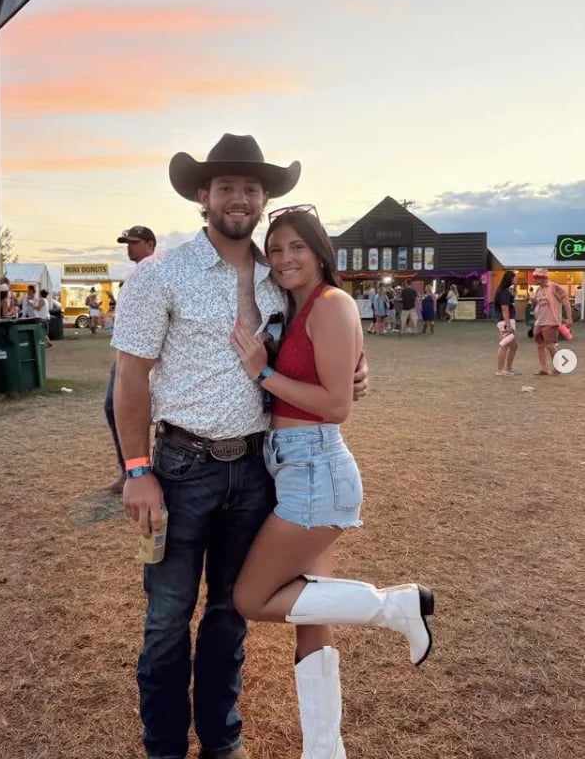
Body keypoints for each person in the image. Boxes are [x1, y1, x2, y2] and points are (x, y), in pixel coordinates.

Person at [111, 134, 368, 759]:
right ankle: (165, 747)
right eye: (226, 186)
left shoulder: (279, 274)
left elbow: (322, 343)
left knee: (229, 618)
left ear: (264, 199)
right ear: (203, 196)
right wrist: (137, 469)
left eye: (252, 188)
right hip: (179, 465)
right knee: (168, 620)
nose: (240, 198)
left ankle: (222, 742)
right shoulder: (160, 275)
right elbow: (130, 378)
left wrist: (358, 371)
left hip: (257, 468)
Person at [230, 209, 434, 759]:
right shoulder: (293, 310)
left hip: (316, 469)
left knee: (251, 597)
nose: (284, 258)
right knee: (312, 620)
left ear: (321, 252)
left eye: (296, 247)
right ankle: (325, 751)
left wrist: (262, 372)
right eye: (274, 250)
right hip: (290, 467)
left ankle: (397, 606)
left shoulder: (332, 305)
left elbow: (337, 405)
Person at [104, 225, 157, 495]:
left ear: (149, 244)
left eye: (134, 242)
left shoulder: (156, 273)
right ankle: (130, 469)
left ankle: (137, 470)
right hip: (128, 352)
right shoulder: (134, 275)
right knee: (114, 408)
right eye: (127, 242)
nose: (129, 247)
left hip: (148, 356)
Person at [529, 268, 572, 375]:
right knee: (540, 345)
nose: (535, 280)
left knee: (549, 345)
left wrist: (569, 317)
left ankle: (558, 366)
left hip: (551, 320)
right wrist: (533, 301)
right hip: (539, 321)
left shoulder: (554, 287)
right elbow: (536, 306)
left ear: (543, 278)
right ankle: (543, 368)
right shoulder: (538, 290)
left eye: (537, 278)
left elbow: (565, 302)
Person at [493, 271, 520, 376]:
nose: (516, 280)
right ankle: (501, 369)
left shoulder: (506, 291)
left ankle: (508, 368)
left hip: (507, 320)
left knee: (513, 346)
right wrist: (508, 324)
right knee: (504, 344)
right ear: (510, 279)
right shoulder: (504, 292)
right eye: (515, 278)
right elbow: (505, 308)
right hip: (505, 321)